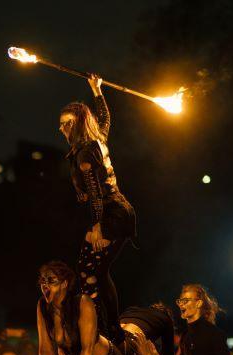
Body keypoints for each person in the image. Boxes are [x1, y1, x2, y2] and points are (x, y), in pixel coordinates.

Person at [59, 73, 137, 340]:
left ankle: (104, 327)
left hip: (112, 215)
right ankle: (108, 325)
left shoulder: (84, 152)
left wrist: (98, 228)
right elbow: (104, 120)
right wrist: (97, 91)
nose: (61, 129)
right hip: (118, 212)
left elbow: (96, 193)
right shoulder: (97, 140)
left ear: (78, 123)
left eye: (65, 123)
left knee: (86, 269)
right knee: (96, 271)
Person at [176, 284, 233, 355]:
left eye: (186, 300)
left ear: (199, 303)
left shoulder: (214, 334)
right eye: (180, 301)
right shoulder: (185, 336)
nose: (181, 304)